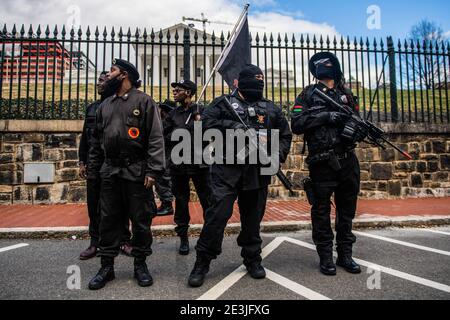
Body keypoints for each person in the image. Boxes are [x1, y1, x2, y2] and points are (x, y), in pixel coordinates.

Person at [188, 65, 292, 287]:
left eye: (261, 82)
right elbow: (204, 127)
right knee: (217, 217)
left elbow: (285, 134)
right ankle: (202, 261)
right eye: (255, 81)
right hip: (226, 170)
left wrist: (277, 155)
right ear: (240, 82)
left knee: (253, 220)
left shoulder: (270, 108)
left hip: (256, 172)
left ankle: (252, 258)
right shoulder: (223, 103)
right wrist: (232, 126)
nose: (259, 86)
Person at [87, 58, 165, 290]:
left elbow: (155, 138)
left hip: (137, 171)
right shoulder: (105, 105)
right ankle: (106, 266)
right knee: (108, 220)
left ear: (124, 75)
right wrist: (94, 169)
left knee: (141, 221)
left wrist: (153, 169)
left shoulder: (144, 101)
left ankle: (140, 264)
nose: (107, 75)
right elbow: (96, 142)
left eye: (112, 71)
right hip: (110, 171)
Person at [290, 52, 363, 276]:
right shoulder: (308, 94)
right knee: (321, 211)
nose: (325, 67)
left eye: (328, 64)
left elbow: (359, 122)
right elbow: (296, 123)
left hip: (347, 160)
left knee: (347, 210)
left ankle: (345, 255)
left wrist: (354, 131)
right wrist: (325, 117)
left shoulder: (346, 94)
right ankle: (325, 257)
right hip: (322, 162)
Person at [78, 71, 132, 260]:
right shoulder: (92, 108)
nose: (99, 83)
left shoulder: (120, 104)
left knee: (120, 203)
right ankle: (95, 243)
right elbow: (85, 137)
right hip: (94, 162)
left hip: (113, 162)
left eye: (103, 80)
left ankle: (124, 240)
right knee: (94, 206)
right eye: (99, 80)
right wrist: (82, 161)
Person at [163, 80, 211, 255]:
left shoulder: (202, 111)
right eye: (174, 89)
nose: (174, 92)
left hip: (200, 165)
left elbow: (210, 135)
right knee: (181, 202)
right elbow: (164, 135)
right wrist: (181, 133)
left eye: (178, 90)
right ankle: (183, 237)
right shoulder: (173, 114)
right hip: (179, 165)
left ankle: (207, 237)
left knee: (207, 202)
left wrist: (198, 123)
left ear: (189, 93)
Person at [153, 99, 176, 217]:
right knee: (160, 179)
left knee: (163, 179)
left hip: (168, 154)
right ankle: (164, 203)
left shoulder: (170, 122)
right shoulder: (161, 121)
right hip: (162, 153)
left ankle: (167, 205)